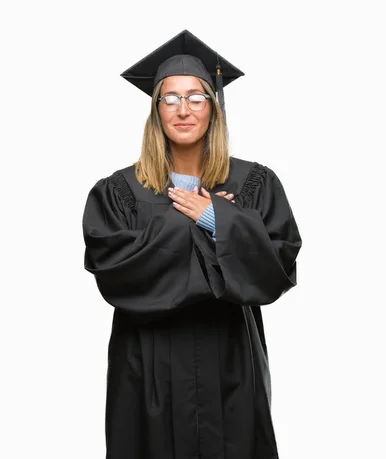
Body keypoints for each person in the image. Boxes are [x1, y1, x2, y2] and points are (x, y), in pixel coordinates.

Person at [81, 29, 302, 459]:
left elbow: (278, 266)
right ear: (156, 111)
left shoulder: (255, 183)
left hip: (230, 362)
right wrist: (207, 223)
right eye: (170, 98)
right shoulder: (119, 190)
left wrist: (219, 220)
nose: (184, 110)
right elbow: (115, 272)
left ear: (214, 108)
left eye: (197, 97)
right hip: (147, 368)